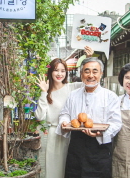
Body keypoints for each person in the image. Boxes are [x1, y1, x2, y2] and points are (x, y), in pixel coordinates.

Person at [56, 57, 122, 178]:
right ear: (81, 74)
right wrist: (64, 122)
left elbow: (116, 123)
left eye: (95, 71)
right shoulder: (73, 95)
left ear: (101, 74)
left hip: (100, 148)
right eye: (87, 71)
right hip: (76, 147)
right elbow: (64, 113)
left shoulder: (110, 96)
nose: (91, 75)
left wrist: (100, 134)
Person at [35, 46, 93, 178]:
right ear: (50, 72)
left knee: (73, 170)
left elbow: (90, 81)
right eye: (56, 70)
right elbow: (39, 116)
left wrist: (89, 60)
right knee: (54, 172)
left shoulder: (73, 87)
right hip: (55, 135)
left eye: (63, 70)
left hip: (74, 134)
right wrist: (43, 93)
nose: (60, 74)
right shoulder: (46, 92)